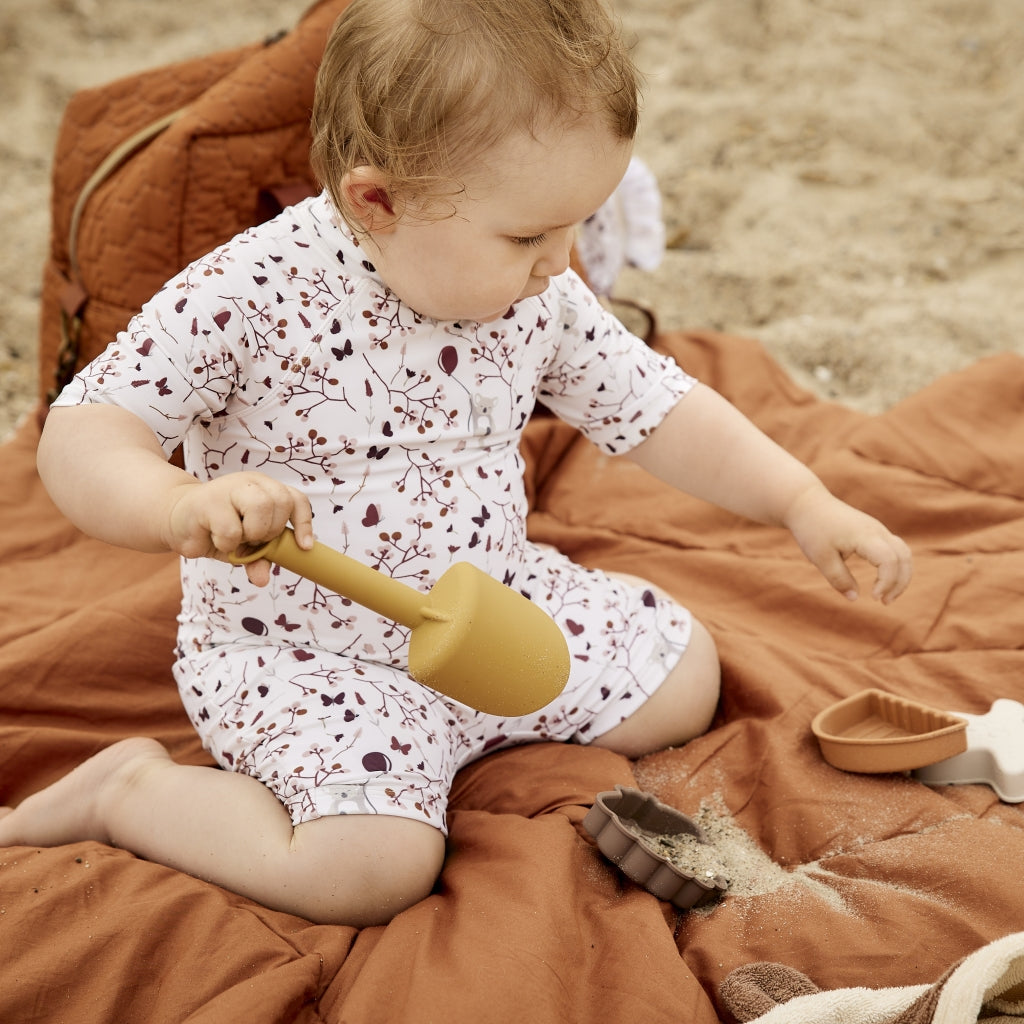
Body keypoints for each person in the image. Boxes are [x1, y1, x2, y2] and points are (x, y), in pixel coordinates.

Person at [0, 0, 911, 927]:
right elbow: (84, 432)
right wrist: (176, 503)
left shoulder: (535, 293)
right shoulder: (246, 295)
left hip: (489, 612)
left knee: (684, 676)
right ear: (379, 202)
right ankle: (128, 794)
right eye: (527, 237)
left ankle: (452, 745)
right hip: (312, 660)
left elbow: (658, 409)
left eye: (577, 227)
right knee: (367, 871)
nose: (560, 263)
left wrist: (801, 501)